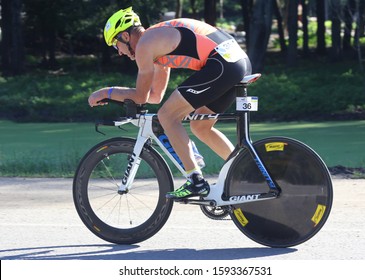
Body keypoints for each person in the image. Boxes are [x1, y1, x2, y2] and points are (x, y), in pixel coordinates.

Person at [88, 7, 252, 199]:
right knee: (200, 126)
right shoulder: (157, 42)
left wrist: (105, 92)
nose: (120, 53)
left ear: (125, 36)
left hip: (223, 64)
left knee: (167, 116)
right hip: (237, 62)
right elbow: (155, 95)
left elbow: (140, 97)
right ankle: (245, 172)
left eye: (116, 45)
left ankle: (196, 181)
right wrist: (116, 96)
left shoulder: (145, 45)